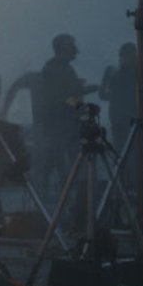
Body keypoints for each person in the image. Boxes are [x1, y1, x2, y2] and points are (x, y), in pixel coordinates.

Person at [30, 33, 97, 199]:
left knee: (60, 163)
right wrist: (81, 101)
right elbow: (62, 98)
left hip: (65, 126)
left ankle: (61, 197)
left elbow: (66, 94)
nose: (76, 50)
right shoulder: (55, 69)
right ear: (63, 48)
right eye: (71, 46)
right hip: (59, 126)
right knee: (59, 163)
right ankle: (55, 199)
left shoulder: (60, 68)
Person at [101, 42, 138, 152]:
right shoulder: (117, 75)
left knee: (125, 152)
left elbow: (104, 95)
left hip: (130, 121)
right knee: (123, 151)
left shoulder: (121, 75)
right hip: (122, 121)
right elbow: (104, 95)